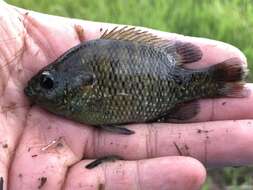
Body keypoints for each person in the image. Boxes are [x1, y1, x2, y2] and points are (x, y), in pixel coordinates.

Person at [0, 1, 252, 189]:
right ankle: (225, 81)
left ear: (83, 84)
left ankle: (221, 81)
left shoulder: (81, 75)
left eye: (47, 83)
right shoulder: (78, 69)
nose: (36, 89)